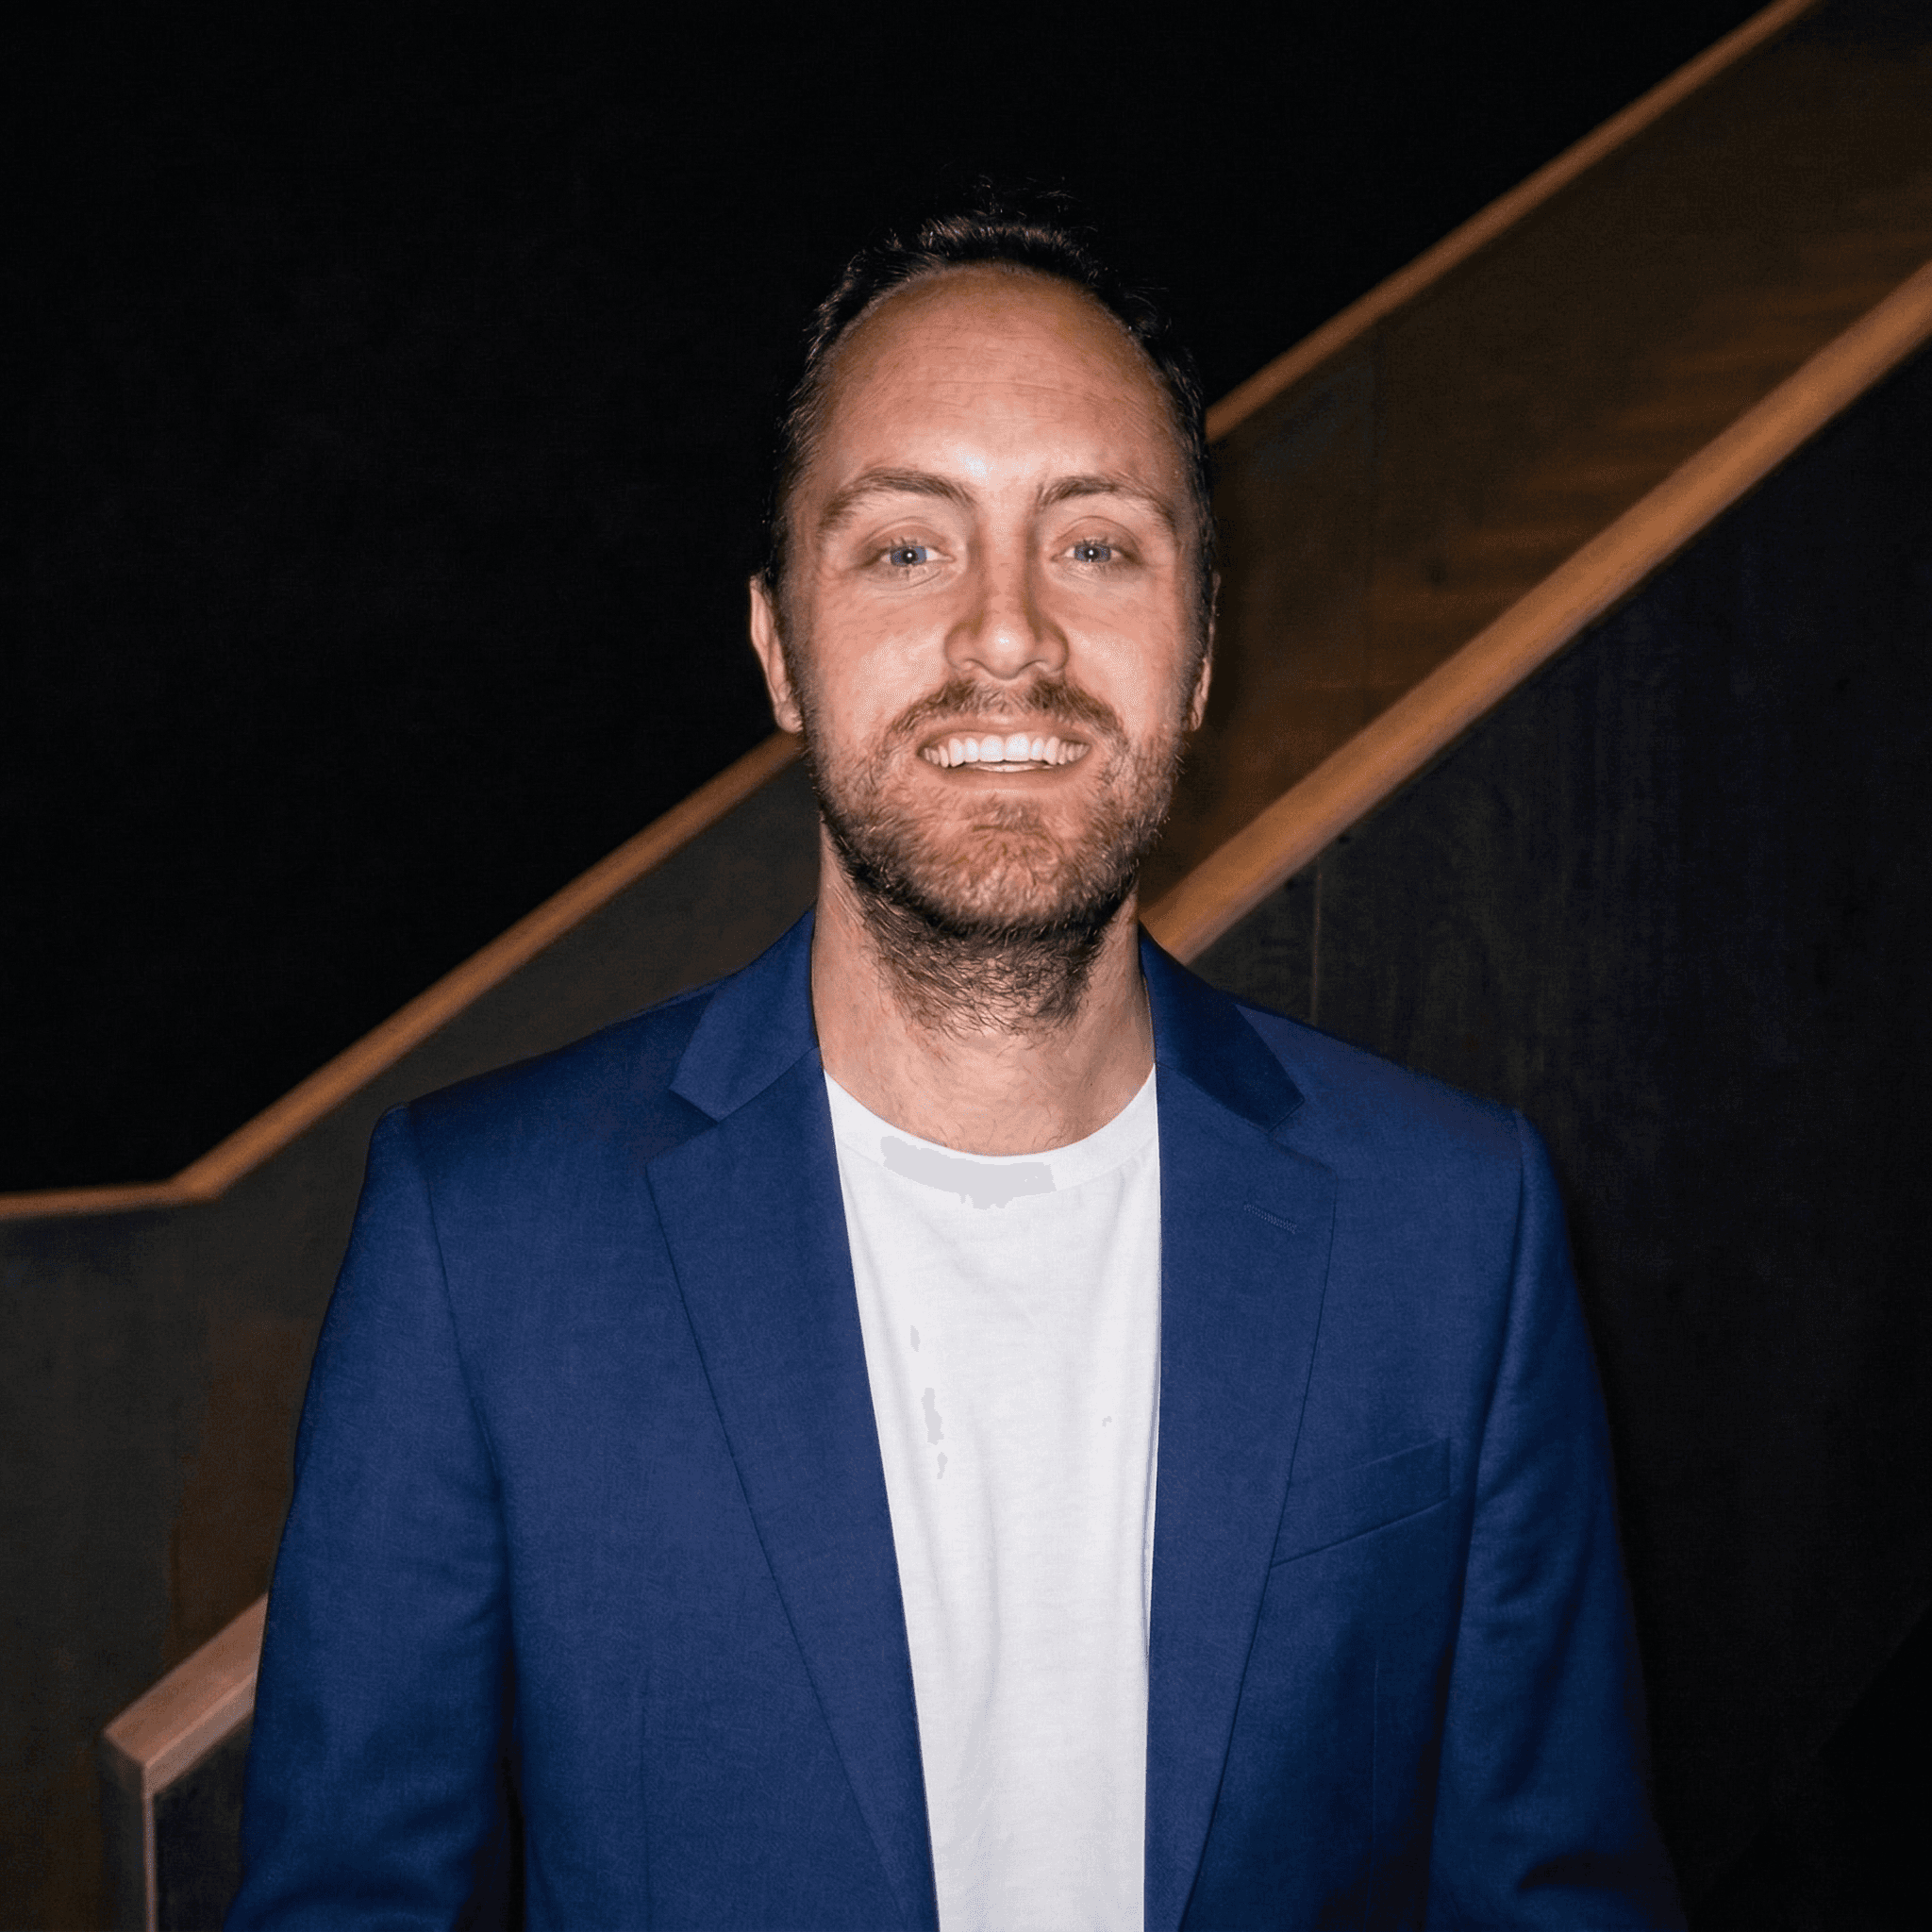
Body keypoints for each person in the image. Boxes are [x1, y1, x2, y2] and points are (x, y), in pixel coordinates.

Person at [232, 212, 1683, 1930]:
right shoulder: (477, 1246)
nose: (1009, 638)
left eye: (1097, 546)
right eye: (909, 551)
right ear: (778, 647)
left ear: (1203, 652)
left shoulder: (1458, 1230)